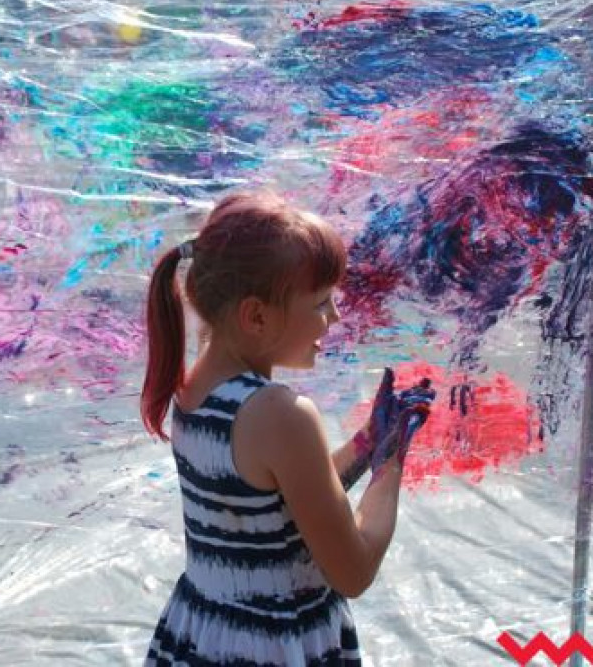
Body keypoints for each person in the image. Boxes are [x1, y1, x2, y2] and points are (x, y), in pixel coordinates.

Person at [142, 191, 434, 666]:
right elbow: (353, 571)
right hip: (274, 645)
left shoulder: (191, 387)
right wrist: (390, 466)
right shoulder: (280, 413)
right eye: (321, 302)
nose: (334, 317)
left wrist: (365, 443)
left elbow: (286, 502)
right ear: (256, 315)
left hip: (203, 633)